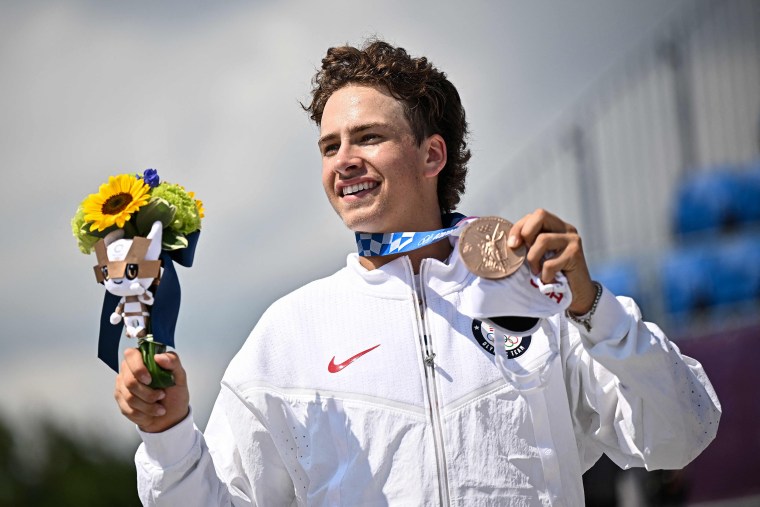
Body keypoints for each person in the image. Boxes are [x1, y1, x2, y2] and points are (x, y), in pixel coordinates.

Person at [114, 40, 720, 506]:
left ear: (432, 154)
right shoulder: (288, 334)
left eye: (369, 138)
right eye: (329, 147)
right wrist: (167, 435)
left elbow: (682, 430)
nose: (345, 161)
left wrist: (592, 307)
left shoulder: (539, 297)